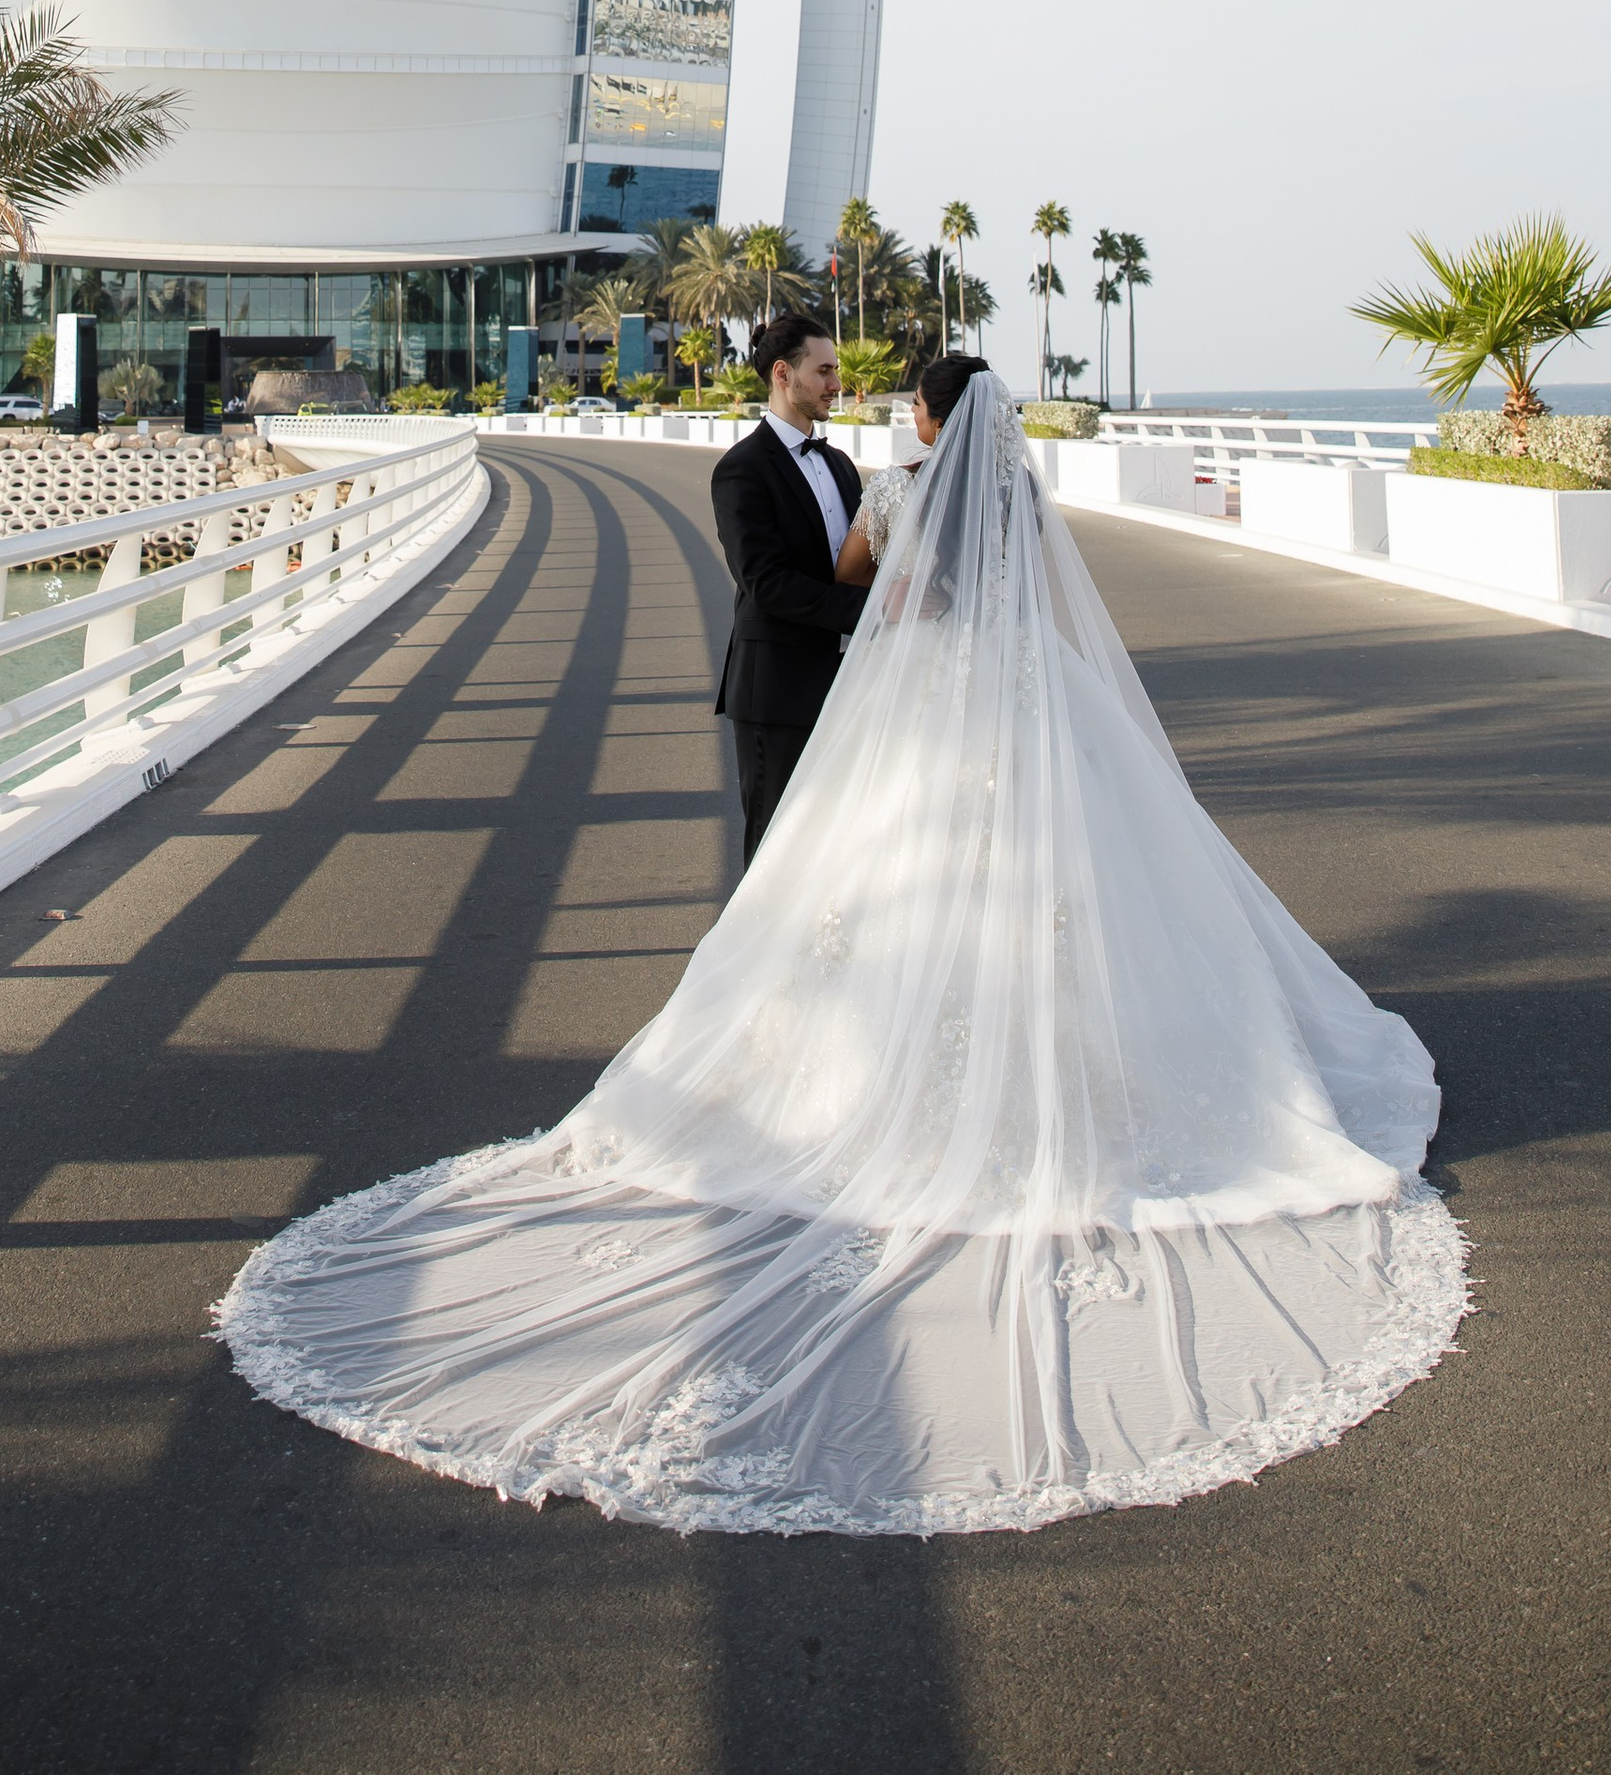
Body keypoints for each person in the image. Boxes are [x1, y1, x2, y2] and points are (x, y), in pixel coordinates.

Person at [217, 366, 1467, 1536]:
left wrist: (885, 555)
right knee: (1067, 893)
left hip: (922, 704)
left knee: (876, 889)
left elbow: (867, 584)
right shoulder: (1021, 499)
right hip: (1027, 701)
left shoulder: (896, 491)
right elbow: (1028, 603)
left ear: (925, 422)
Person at [707, 313, 868, 864]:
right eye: (823, 370)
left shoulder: (842, 466)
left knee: (833, 846)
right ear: (783, 373)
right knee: (774, 849)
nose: (835, 383)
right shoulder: (741, 470)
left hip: (846, 686)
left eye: (836, 370)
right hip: (775, 691)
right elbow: (765, 583)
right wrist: (872, 611)